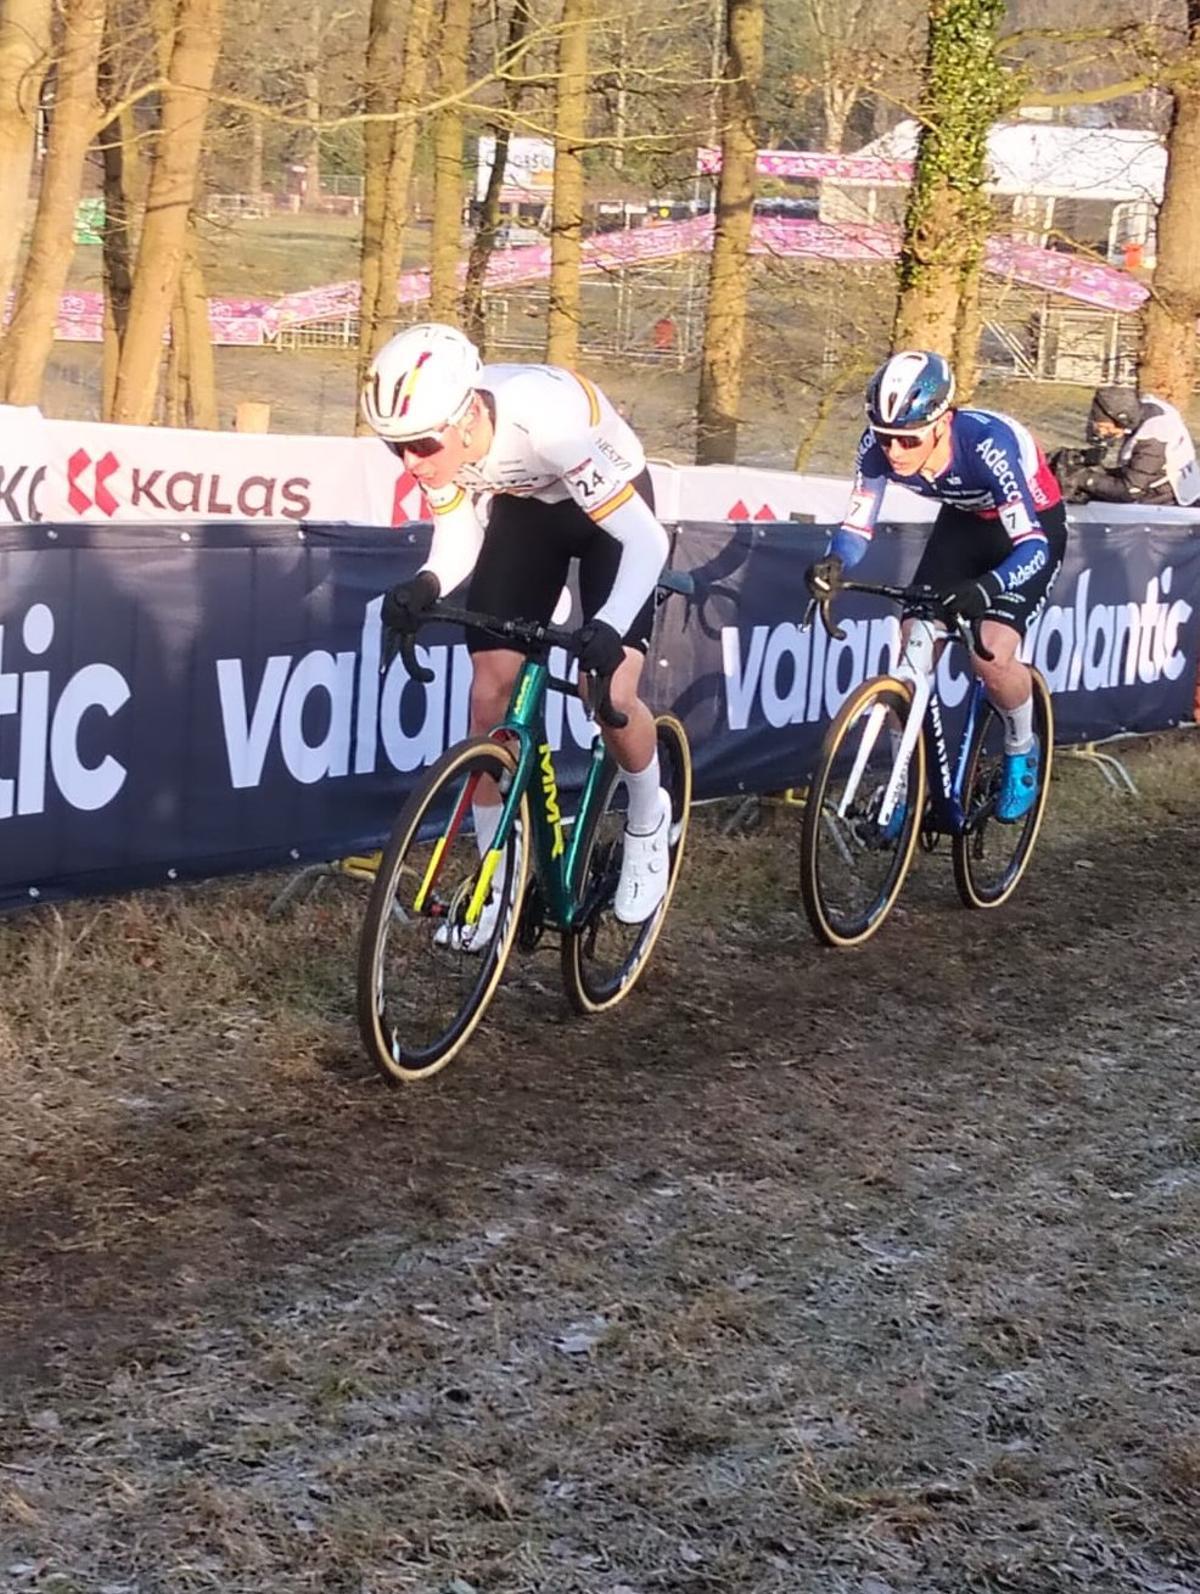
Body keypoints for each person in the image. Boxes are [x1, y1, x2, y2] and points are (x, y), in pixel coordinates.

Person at [362, 321, 672, 945]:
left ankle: (647, 815)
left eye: (421, 446)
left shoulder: (547, 424)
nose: (411, 463)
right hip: (530, 509)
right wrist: (425, 584)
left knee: (607, 692)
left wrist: (608, 628)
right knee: (489, 694)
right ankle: (495, 888)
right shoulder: (444, 442)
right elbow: (458, 536)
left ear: (469, 415)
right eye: (395, 448)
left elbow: (647, 541)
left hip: (612, 512)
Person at [805, 349, 1068, 824]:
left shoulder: (988, 447)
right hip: (963, 526)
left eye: (908, 440)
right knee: (912, 651)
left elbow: (1032, 547)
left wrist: (988, 589)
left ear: (943, 422)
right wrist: (835, 561)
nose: (894, 452)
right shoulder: (875, 448)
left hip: (1029, 532)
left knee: (990, 653)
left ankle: (1021, 745)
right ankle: (907, 782)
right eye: (886, 438)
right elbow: (858, 526)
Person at [1050, 387, 1200, 508]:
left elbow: (1130, 490)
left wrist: (1083, 478)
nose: (1102, 433)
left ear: (1122, 419)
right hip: (1159, 487)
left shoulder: (1153, 439)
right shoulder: (1145, 411)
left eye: (1105, 427)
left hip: (1168, 502)